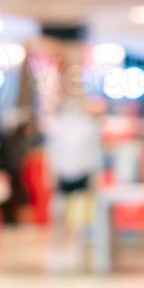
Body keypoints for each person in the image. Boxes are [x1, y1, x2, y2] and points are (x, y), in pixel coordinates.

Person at [44, 100, 103, 258]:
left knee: (79, 216)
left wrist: (94, 177)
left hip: (81, 175)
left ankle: (78, 247)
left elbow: (93, 154)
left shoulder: (87, 127)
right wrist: (51, 176)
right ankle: (58, 247)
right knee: (59, 213)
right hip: (64, 176)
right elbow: (53, 154)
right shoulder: (58, 128)